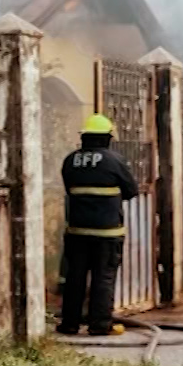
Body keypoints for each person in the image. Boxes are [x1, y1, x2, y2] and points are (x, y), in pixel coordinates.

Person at [56, 114, 139, 337]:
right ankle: (100, 325)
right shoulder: (114, 160)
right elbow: (132, 191)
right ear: (107, 138)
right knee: (103, 277)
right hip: (107, 233)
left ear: (84, 137)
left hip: (77, 231)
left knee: (75, 277)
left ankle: (70, 324)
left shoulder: (70, 160)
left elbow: (69, 189)